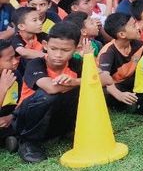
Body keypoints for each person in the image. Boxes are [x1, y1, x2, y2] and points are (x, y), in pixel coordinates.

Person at [13, 21, 124, 163]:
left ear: (76, 49)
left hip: (55, 120)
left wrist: (75, 81)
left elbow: (107, 79)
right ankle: (29, 142)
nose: (58, 55)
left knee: (85, 88)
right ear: (45, 45)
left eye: (65, 50)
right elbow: (51, 88)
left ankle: (71, 131)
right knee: (48, 96)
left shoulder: (75, 64)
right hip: (26, 120)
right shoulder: (36, 63)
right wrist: (80, 81)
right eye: (54, 48)